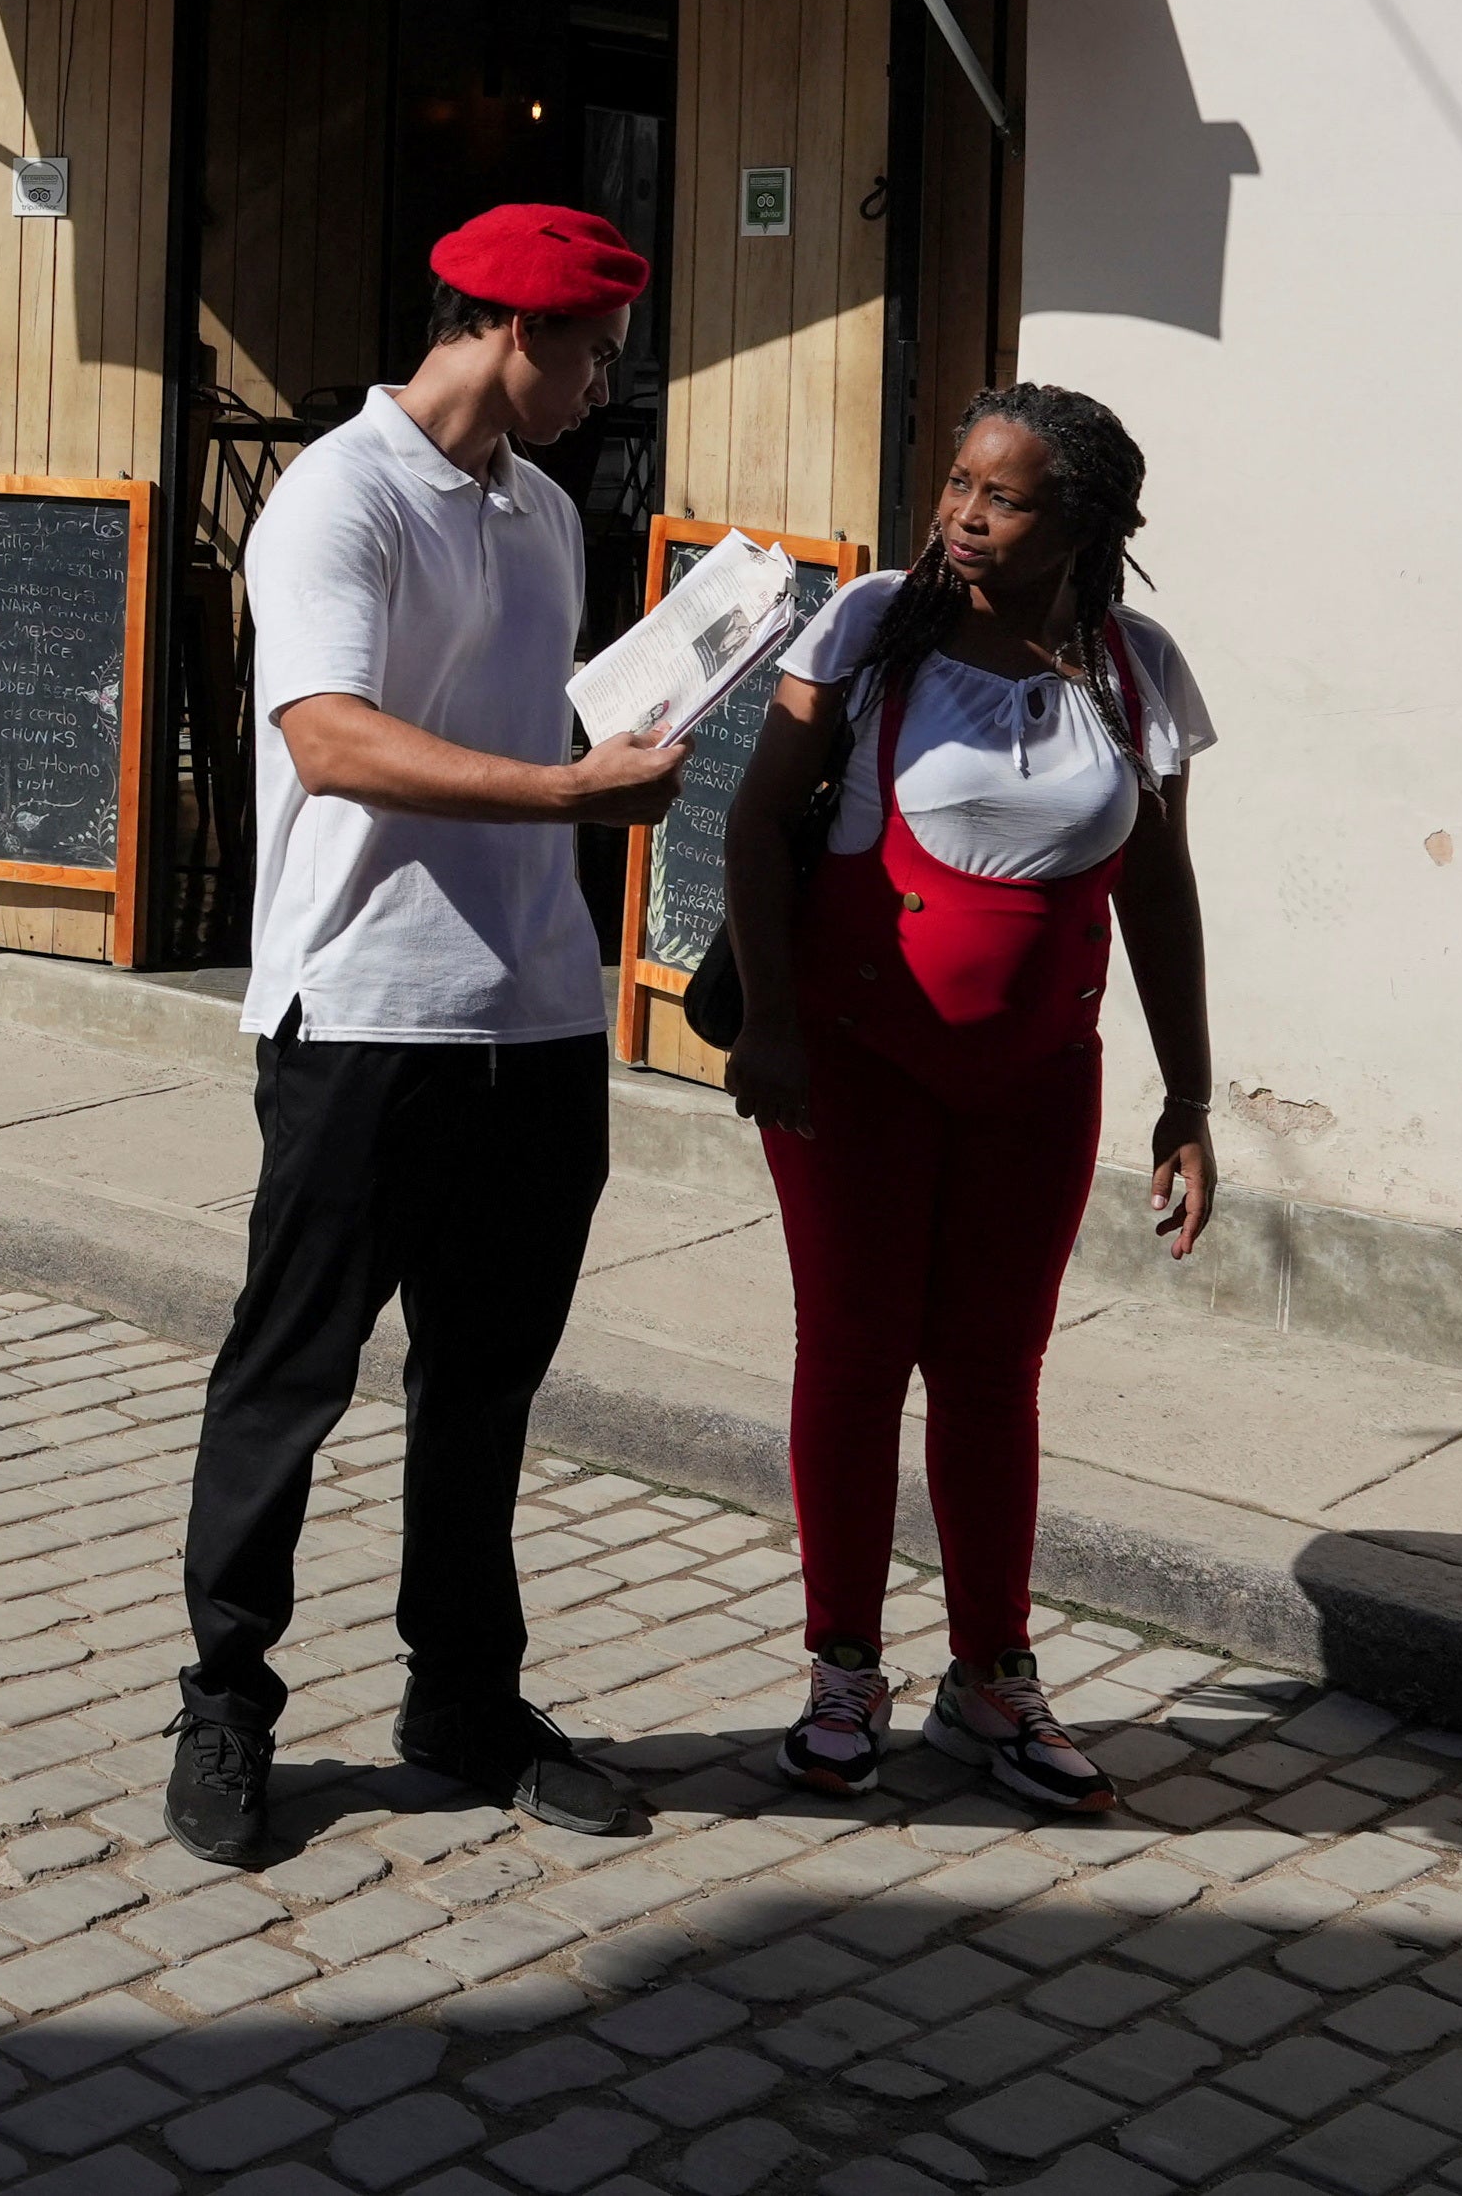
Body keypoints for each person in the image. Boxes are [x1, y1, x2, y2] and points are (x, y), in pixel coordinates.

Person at [170, 202, 689, 1865]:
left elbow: (517, 719)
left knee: (485, 1384)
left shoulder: (541, 511)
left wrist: (638, 718)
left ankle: (462, 1695)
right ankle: (228, 1696)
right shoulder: (338, 494)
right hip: (364, 1013)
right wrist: (566, 791)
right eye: (594, 351)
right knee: (293, 1370)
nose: (605, 384)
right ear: (510, 331)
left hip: (534, 1017)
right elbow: (329, 736)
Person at [720, 385, 1216, 1817]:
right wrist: (769, 1024)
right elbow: (758, 820)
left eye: (1003, 496)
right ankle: (844, 1665)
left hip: (1039, 1083)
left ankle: (992, 1675)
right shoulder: (872, 630)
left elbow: (1161, 892)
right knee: (860, 1349)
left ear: (1092, 523)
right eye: (956, 483)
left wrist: (1188, 1090)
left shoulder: (1136, 667)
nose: (963, 514)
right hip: (851, 1067)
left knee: (995, 1370)